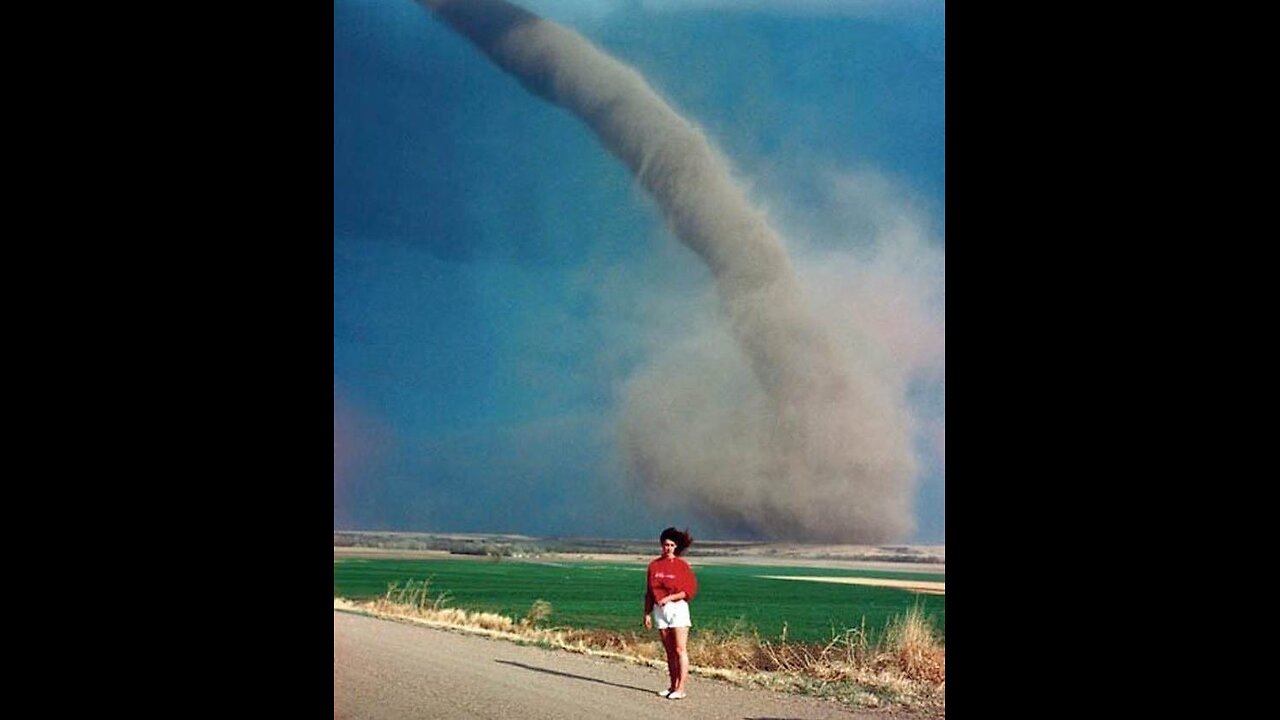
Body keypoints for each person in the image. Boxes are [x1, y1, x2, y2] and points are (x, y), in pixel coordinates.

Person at [643, 526, 698, 700]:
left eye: (672, 545)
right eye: (666, 544)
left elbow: (689, 590)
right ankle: (672, 685)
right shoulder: (654, 565)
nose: (668, 548)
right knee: (669, 651)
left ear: (676, 547)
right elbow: (649, 591)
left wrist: (669, 598)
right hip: (660, 610)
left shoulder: (682, 566)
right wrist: (647, 613)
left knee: (680, 648)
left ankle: (681, 688)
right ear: (662, 545)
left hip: (677, 608)